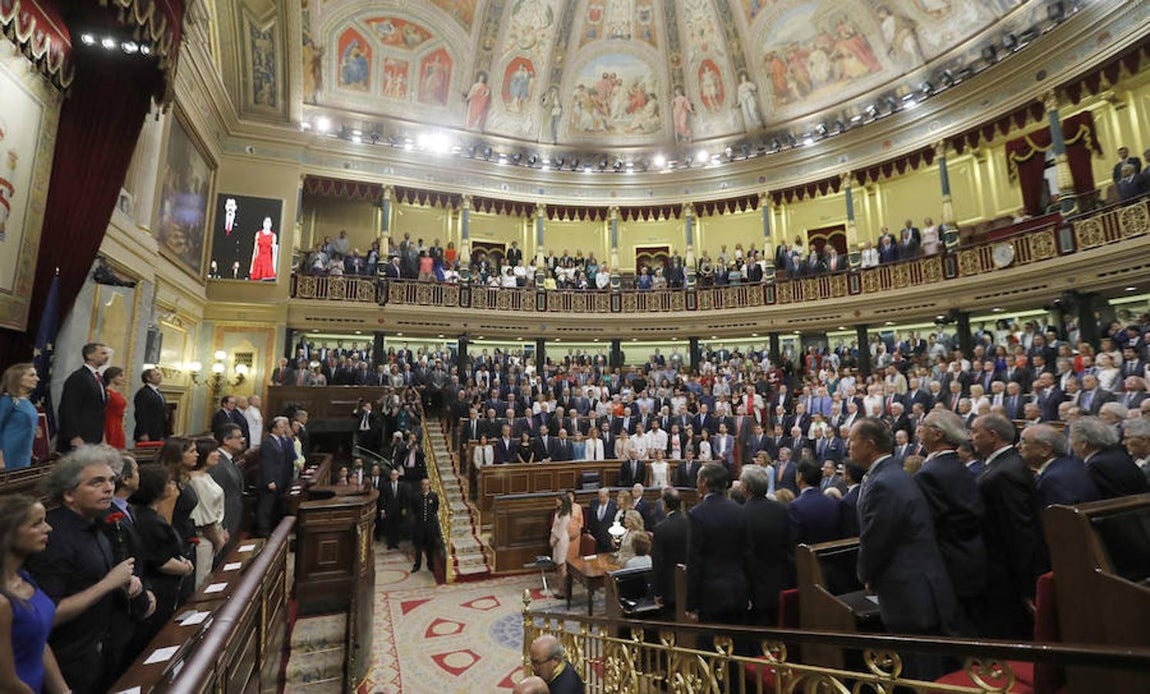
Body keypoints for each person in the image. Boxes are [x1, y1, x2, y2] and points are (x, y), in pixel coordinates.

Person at [848, 418, 957, 679]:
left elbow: (878, 537)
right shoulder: (890, 474)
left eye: (853, 440)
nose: (848, 445)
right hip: (913, 585)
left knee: (922, 669)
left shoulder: (884, 482)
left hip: (909, 589)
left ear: (870, 444)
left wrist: (866, 575)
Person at [26, 447, 139, 693]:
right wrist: (108, 583)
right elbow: (47, 614)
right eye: (97, 482)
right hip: (67, 664)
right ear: (69, 494)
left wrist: (123, 584)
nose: (109, 488)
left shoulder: (94, 524)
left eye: (111, 480)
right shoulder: (53, 538)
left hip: (98, 653)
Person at [915, 410, 987, 635]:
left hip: (949, 564)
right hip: (972, 556)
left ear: (937, 434)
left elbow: (929, 525)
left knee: (958, 631)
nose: (919, 429)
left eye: (924, 425)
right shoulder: (958, 465)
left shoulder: (929, 474)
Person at [0, 495, 69, 693]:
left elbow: (39, 641)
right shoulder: (2, 601)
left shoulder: (24, 576)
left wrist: (62, 690)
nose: (48, 528)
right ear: (8, 533)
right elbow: (6, 683)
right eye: (36, 524)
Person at [128, 463, 193, 652]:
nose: (174, 486)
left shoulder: (149, 516)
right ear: (157, 488)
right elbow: (160, 560)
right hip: (159, 588)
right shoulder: (148, 520)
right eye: (169, 482)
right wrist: (186, 568)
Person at [685, 463, 748, 626]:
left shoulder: (697, 514)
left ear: (704, 482)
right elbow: (748, 553)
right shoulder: (740, 511)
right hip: (738, 589)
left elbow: (694, 560)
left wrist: (690, 603)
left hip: (710, 593)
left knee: (711, 646)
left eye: (698, 479)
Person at [741, 465, 792, 627]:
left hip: (754, 586)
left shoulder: (742, 514)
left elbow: (744, 553)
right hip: (781, 580)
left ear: (745, 488)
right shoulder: (782, 510)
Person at [188, 438, 228, 588]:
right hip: (204, 539)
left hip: (214, 534)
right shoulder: (197, 481)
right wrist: (218, 540)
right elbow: (205, 519)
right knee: (201, 583)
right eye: (214, 451)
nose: (218, 454)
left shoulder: (206, 476)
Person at [57, 343, 110, 452]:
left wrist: (102, 437)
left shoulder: (99, 378)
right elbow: (69, 409)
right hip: (80, 438)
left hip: (94, 437)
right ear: (89, 356)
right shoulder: (78, 377)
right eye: (102, 353)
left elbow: (99, 410)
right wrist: (74, 436)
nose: (106, 356)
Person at [650, 487, 688, 616]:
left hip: (669, 586)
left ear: (664, 505)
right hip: (690, 581)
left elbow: (657, 562)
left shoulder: (661, 528)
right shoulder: (692, 523)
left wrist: (657, 591)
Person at [256, 417, 294, 537]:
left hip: (279, 479)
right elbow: (267, 463)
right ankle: (263, 532)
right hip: (270, 481)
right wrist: (269, 480)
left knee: (274, 506)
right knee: (265, 508)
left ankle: (271, 529)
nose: (284, 429)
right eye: (281, 427)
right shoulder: (268, 442)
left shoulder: (279, 440)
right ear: (274, 429)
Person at [210, 424, 246, 546]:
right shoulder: (218, 464)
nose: (242, 440)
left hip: (231, 521)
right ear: (226, 440)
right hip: (224, 524)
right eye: (238, 437)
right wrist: (221, 527)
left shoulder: (227, 460)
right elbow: (215, 498)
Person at [0, 363, 40, 470]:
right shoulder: (7, 401)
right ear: (18, 378)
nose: (37, 379)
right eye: (32, 375)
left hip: (23, 455)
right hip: (7, 455)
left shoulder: (27, 402)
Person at [410, 478, 441, 573]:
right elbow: (414, 509)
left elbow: (435, 508)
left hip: (430, 525)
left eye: (427, 484)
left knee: (430, 546)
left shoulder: (434, 496)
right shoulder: (416, 496)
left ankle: (430, 564)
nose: (425, 486)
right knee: (418, 546)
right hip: (419, 525)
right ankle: (417, 564)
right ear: (421, 485)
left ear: (429, 485)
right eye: (423, 484)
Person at [132, 368, 168, 443]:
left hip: (158, 431)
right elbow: (140, 414)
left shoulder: (158, 392)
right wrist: (143, 432)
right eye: (157, 374)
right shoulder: (143, 392)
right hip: (148, 432)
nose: (160, 376)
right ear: (148, 378)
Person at [549, 494, 571, 598]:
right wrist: (551, 538)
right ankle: (559, 588)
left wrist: (555, 540)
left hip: (561, 540)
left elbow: (561, 530)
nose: (556, 501)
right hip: (556, 538)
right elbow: (554, 526)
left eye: (558, 499)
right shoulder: (558, 511)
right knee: (558, 565)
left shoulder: (566, 514)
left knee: (562, 565)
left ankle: (564, 590)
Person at [379, 467, 407, 550]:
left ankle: (396, 542)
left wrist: (404, 508)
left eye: (395, 475)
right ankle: (390, 543)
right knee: (389, 527)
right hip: (389, 509)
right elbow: (383, 498)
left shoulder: (402, 486)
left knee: (397, 527)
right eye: (392, 475)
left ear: (398, 476)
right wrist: (383, 509)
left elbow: (404, 498)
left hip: (398, 509)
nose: (394, 476)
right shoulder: (386, 486)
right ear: (390, 476)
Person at [101, 367, 127, 450]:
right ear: (112, 377)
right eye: (120, 376)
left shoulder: (117, 392)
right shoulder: (107, 392)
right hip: (109, 424)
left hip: (118, 424)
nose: (123, 378)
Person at [249, 216, 278, 281]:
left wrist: (274, 267)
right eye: (265, 222)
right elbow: (255, 251)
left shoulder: (273, 236)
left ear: (271, 224)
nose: (267, 224)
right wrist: (251, 266)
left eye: (268, 222)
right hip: (259, 260)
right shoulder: (258, 234)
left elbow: (274, 253)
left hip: (267, 262)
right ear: (263, 223)